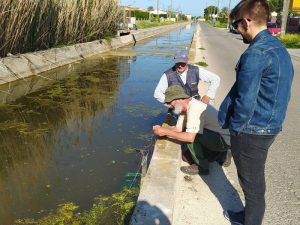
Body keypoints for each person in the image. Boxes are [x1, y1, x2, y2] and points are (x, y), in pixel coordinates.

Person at [218, 1, 294, 225]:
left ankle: (251, 221)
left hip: (252, 131)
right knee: (254, 184)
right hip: (269, 124)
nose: (236, 29)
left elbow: (245, 100)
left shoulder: (256, 53)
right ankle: (247, 216)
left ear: (247, 21)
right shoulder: (278, 47)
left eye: (236, 24)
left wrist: (237, 129)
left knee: (252, 186)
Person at [153, 85, 231, 175]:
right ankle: (221, 154)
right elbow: (178, 130)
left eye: (170, 103)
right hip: (219, 135)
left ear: (178, 99)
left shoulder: (194, 108)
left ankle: (202, 167)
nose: (170, 106)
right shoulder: (185, 107)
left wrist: (165, 132)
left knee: (192, 136)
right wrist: (162, 131)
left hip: (224, 139)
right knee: (186, 155)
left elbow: (189, 138)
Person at [154, 50, 220, 105]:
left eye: (182, 63)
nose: (180, 66)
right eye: (178, 63)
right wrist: (171, 103)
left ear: (187, 61)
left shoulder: (196, 70)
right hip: (177, 106)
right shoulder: (167, 75)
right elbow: (157, 93)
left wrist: (208, 96)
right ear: (174, 62)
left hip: (194, 102)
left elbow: (216, 79)